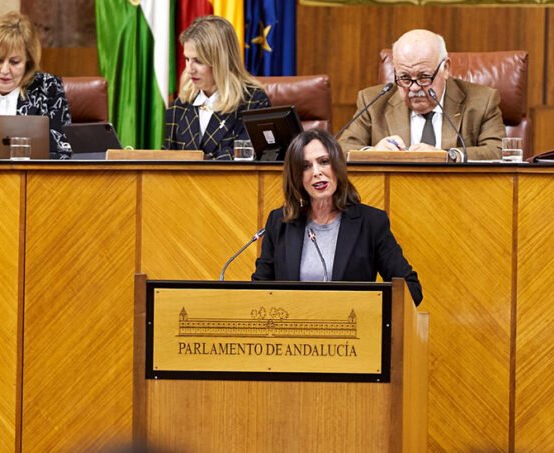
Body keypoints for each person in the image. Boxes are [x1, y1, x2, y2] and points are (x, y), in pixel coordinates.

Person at [252, 128, 423, 305]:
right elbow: (258, 291)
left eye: (324, 162)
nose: (317, 172)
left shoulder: (371, 223)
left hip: (353, 327)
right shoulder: (280, 222)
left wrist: (369, 312)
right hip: (293, 330)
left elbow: (411, 290)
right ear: (296, 177)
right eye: (306, 166)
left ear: (338, 166)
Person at [338, 29, 504, 161]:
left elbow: (499, 151)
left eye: (424, 77)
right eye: (404, 78)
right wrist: (373, 153)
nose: (414, 88)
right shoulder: (373, 102)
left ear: (445, 68)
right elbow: (341, 149)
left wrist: (447, 156)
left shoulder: (482, 101)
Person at [0, 11, 72, 159]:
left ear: (28, 61)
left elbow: (64, 152)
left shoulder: (49, 88)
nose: (5, 71)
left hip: (34, 180)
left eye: (15, 62)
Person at [164, 16, 271, 159]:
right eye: (187, 59)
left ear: (222, 62)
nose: (189, 69)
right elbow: (165, 160)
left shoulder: (254, 103)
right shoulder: (180, 105)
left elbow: (245, 159)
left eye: (198, 61)